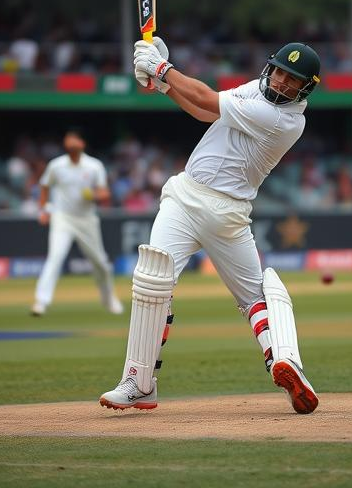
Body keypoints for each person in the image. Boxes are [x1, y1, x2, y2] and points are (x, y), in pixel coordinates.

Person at [100, 39, 321, 415]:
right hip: (184, 197)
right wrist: (163, 84)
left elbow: (205, 98)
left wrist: (162, 70)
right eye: (281, 71)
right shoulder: (257, 88)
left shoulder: (286, 121)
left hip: (228, 213)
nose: (282, 82)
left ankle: (287, 365)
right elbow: (205, 112)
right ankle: (138, 382)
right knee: (153, 280)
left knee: (255, 297)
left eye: (293, 80)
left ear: (306, 88)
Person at [31, 129, 123, 317]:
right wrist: (44, 210)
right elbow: (44, 186)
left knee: (101, 263)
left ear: (82, 144)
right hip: (62, 218)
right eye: (68, 139)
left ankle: (109, 298)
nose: (70, 142)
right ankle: (41, 301)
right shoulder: (56, 165)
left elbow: (105, 193)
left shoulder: (94, 166)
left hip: (87, 219)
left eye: (74, 139)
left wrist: (94, 194)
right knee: (55, 257)